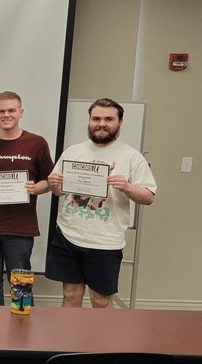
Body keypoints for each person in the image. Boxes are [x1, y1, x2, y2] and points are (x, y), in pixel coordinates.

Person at [47, 98, 156, 308]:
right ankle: (68, 341)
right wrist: (54, 184)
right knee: (70, 295)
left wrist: (127, 187)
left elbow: (149, 197)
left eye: (108, 119)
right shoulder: (73, 152)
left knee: (100, 300)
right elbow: (59, 192)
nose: (101, 123)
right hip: (68, 235)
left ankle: (101, 342)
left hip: (105, 242)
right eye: (96, 118)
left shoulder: (132, 157)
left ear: (120, 122)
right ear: (89, 120)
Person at [0, 91, 54, 306]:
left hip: (20, 229)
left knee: (20, 283)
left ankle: (21, 328)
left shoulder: (37, 143)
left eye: (11, 110)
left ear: (21, 112)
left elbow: (49, 181)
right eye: (1, 111)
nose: (6, 115)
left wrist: (35, 188)